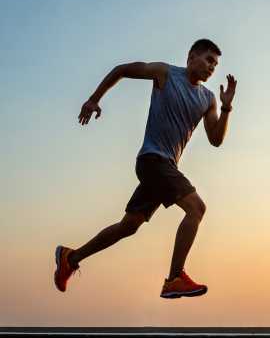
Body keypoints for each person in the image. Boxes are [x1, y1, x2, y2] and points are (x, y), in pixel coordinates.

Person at [54, 38, 237, 299]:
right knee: (197, 208)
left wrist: (227, 107)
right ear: (191, 57)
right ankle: (174, 278)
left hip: (165, 167)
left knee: (128, 226)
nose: (212, 67)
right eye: (208, 60)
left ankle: (71, 257)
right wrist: (93, 99)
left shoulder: (208, 99)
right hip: (152, 161)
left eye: (216, 64)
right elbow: (122, 70)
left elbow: (216, 140)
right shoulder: (165, 73)